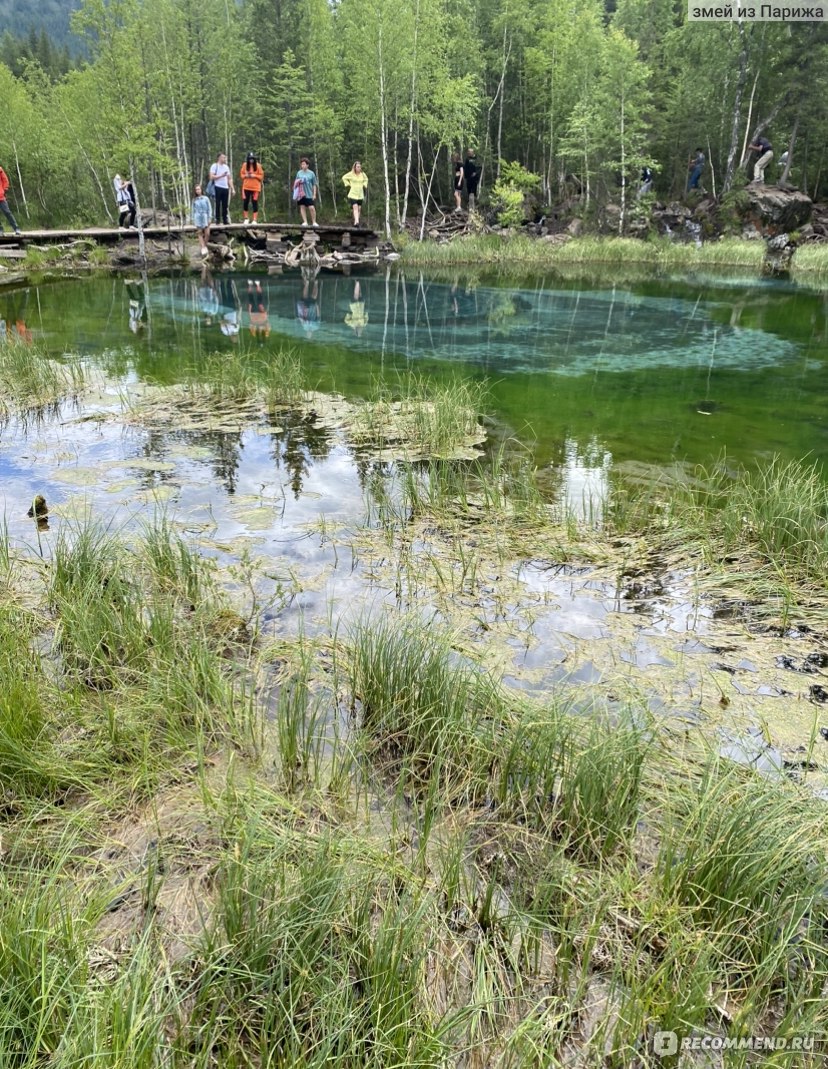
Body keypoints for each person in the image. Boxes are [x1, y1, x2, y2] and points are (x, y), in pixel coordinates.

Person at [209, 151, 234, 225]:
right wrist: (221, 176)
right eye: (223, 157)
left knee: (225, 204)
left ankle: (225, 219)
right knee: (217, 203)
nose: (225, 159)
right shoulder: (214, 166)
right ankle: (217, 219)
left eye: (225, 157)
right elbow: (211, 177)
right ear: (219, 158)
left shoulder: (226, 167)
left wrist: (232, 188)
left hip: (225, 187)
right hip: (217, 186)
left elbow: (229, 178)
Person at [240, 152, 264, 225]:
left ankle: (255, 219)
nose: (251, 160)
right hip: (246, 187)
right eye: (250, 159)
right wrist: (246, 175)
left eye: (252, 159)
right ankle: (246, 218)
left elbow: (261, 176)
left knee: (254, 202)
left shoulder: (258, 166)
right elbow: (241, 175)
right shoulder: (244, 165)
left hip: (255, 188)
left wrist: (254, 175)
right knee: (245, 202)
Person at [294, 157, 319, 228]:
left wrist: (314, 194)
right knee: (302, 206)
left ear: (307, 165)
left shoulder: (311, 173)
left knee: (311, 207)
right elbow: (296, 182)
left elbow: (314, 184)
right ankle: (305, 221)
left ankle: (314, 222)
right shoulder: (299, 173)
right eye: (302, 164)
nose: (303, 166)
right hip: (301, 193)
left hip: (309, 193)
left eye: (304, 164)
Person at [341, 161, 368, 227]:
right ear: (355, 167)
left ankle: (355, 222)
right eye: (358, 167)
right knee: (355, 208)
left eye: (360, 167)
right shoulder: (351, 174)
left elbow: (366, 179)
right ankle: (357, 222)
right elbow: (344, 177)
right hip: (353, 193)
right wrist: (348, 184)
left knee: (359, 209)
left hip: (360, 194)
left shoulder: (362, 174)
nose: (359, 168)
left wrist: (364, 185)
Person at [296, 266, 320, 334]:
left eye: (308, 334)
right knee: (314, 296)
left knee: (305, 297)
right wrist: (317, 307)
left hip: (305, 310)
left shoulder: (304, 327)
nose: (309, 333)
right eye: (309, 334)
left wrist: (302, 318)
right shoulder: (316, 327)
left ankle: (307, 283)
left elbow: (301, 320)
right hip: (312, 310)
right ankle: (315, 283)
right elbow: (318, 317)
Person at [191, 183, 212, 257]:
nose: (198, 191)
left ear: (201, 190)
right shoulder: (194, 200)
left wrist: (210, 217)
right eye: (196, 190)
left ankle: (204, 245)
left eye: (199, 189)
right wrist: (193, 219)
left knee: (207, 233)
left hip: (205, 216)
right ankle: (203, 248)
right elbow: (192, 210)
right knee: (199, 233)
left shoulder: (206, 198)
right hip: (198, 217)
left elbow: (209, 208)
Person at [0, 164, 21, 235]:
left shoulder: (0, 169)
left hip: (1, 196)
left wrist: (5, 189)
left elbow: (5, 179)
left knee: (7, 212)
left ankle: (16, 228)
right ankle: (0, 230)